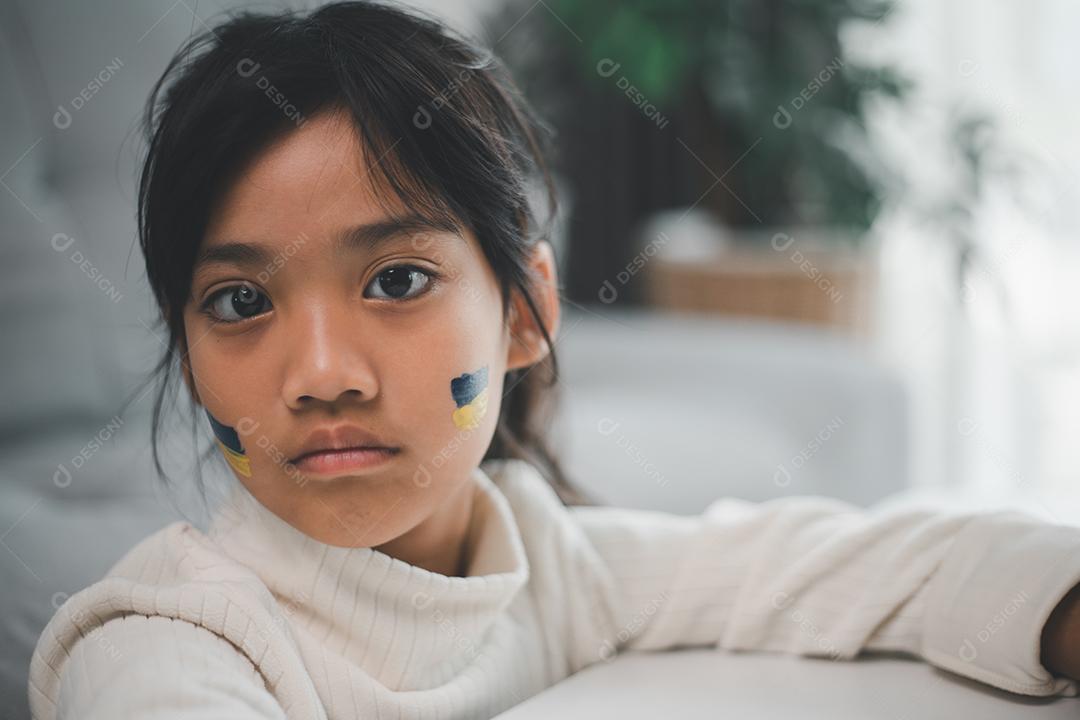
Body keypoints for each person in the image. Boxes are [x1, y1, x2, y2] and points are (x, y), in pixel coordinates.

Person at [27, 2, 1080, 718]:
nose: (319, 373)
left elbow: (842, 566)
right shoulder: (162, 644)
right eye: (241, 302)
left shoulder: (545, 562)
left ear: (525, 313)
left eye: (395, 280)